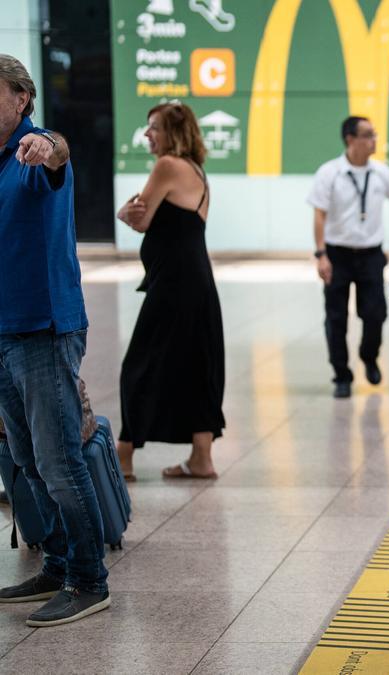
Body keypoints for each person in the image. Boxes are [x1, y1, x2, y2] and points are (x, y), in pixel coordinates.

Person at [0, 53, 111, 626]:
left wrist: (48, 146)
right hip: (3, 331)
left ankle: (90, 579)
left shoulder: (34, 150)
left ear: (21, 97)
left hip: (43, 329)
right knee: (26, 459)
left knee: (59, 459)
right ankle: (60, 563)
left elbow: (58, 150)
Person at [114, 102, 225, 480]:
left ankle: (124, 456)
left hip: (175, 284)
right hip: (195, 281)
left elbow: (140, 218)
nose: (147, 135)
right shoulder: (196, 170)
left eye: (154, 128)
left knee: (139, 365)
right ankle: (201, 458)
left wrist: (122, 214)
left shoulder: (167, 166)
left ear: (173, 133)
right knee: (198, 365)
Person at [308, 116, 389, 398]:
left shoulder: (381, 172)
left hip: (371, 255)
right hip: (337, 255)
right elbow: (319, 214)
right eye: (368, 135)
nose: (374, 140)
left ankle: (368, 356)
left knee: (375, 314)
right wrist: (321, 255)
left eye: (374, 134)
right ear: (350, 139)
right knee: (336, 318)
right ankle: (341, 376)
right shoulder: (329, 172)